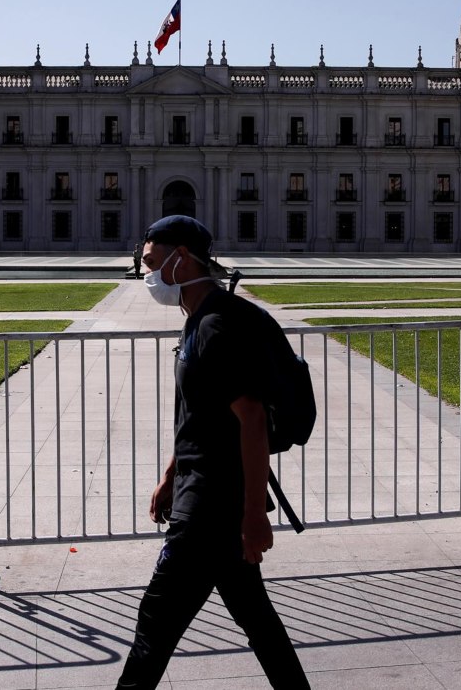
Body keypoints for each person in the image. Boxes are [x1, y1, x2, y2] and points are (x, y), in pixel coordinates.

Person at [117, 215, 309, 690]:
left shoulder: (218, 327)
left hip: (209, 511)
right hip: (204, 495)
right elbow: (198, 413)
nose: (146, 274)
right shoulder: (198, 318)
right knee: (259, 623)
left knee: (154, 629)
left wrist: (253, 518)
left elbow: (251, 422)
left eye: (151, 262)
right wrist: (170, 474)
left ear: (181, 259)